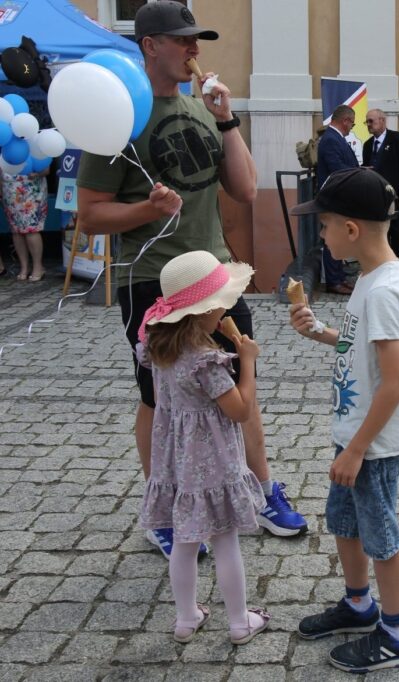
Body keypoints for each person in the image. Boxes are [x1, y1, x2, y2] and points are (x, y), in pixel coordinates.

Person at [76, 0, 307, 559]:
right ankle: (165, 511)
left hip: (218, 275)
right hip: (152, 278)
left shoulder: (205, 109)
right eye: (182, 40)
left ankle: (264, 488)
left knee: (237, 385)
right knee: (159, 396)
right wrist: (147, 212)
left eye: (196, 40)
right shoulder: (120, 115)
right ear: (150, 44)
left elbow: (247, 190)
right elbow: (90, 214)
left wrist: (226, 118)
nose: (194, 51)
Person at [288, 168, 399, 673]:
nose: (320, 235)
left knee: (380, 536)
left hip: (374, 443)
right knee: (345, 521)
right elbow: (356, 343)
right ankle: (359, 605)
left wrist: (359, 447)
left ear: (350, 231)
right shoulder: (373, 275)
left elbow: (394, 383)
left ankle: (397, 633)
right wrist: (320, 331)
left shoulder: (385, 290)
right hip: (355, 434)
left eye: (324, 226)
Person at [137, 250, 270, 646]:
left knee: (184, 540)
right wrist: (246, 361)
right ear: (204, 312)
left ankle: (185, 618)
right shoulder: (206, 362)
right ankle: (238, 622)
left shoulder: (159, 351)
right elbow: (239, 410)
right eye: (221, 304)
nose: (226, 309)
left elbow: (166, 403)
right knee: (226, 539)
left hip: (177, 462)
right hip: (212, 462)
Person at [362, 109, 399, 267]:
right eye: (367, 122)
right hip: (376, 201)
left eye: (371, 121)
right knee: (379, 237)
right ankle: (381, 269)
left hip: (397, 199)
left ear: (382, 120)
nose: (368, 125)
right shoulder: (367, 145)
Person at [318, 104, 360, 295]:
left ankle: (340, 277)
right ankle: (334, 281)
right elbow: (336, 168)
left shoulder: (336, 138)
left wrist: (359, 171)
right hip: (334, 196)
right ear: (345, 121)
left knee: (340, 237)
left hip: (339, 195)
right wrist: (358, 172)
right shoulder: (331, 139)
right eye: (352, 123)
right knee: (332, 239)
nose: (352, 127)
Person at [2, 166, 48, 281]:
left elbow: (46, 169)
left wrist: (37, 173)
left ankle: (38, 267)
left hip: (31, 189)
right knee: (16, 230)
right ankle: (24, 267)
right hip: (9, 190)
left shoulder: (36, 148)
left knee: (31, 229)